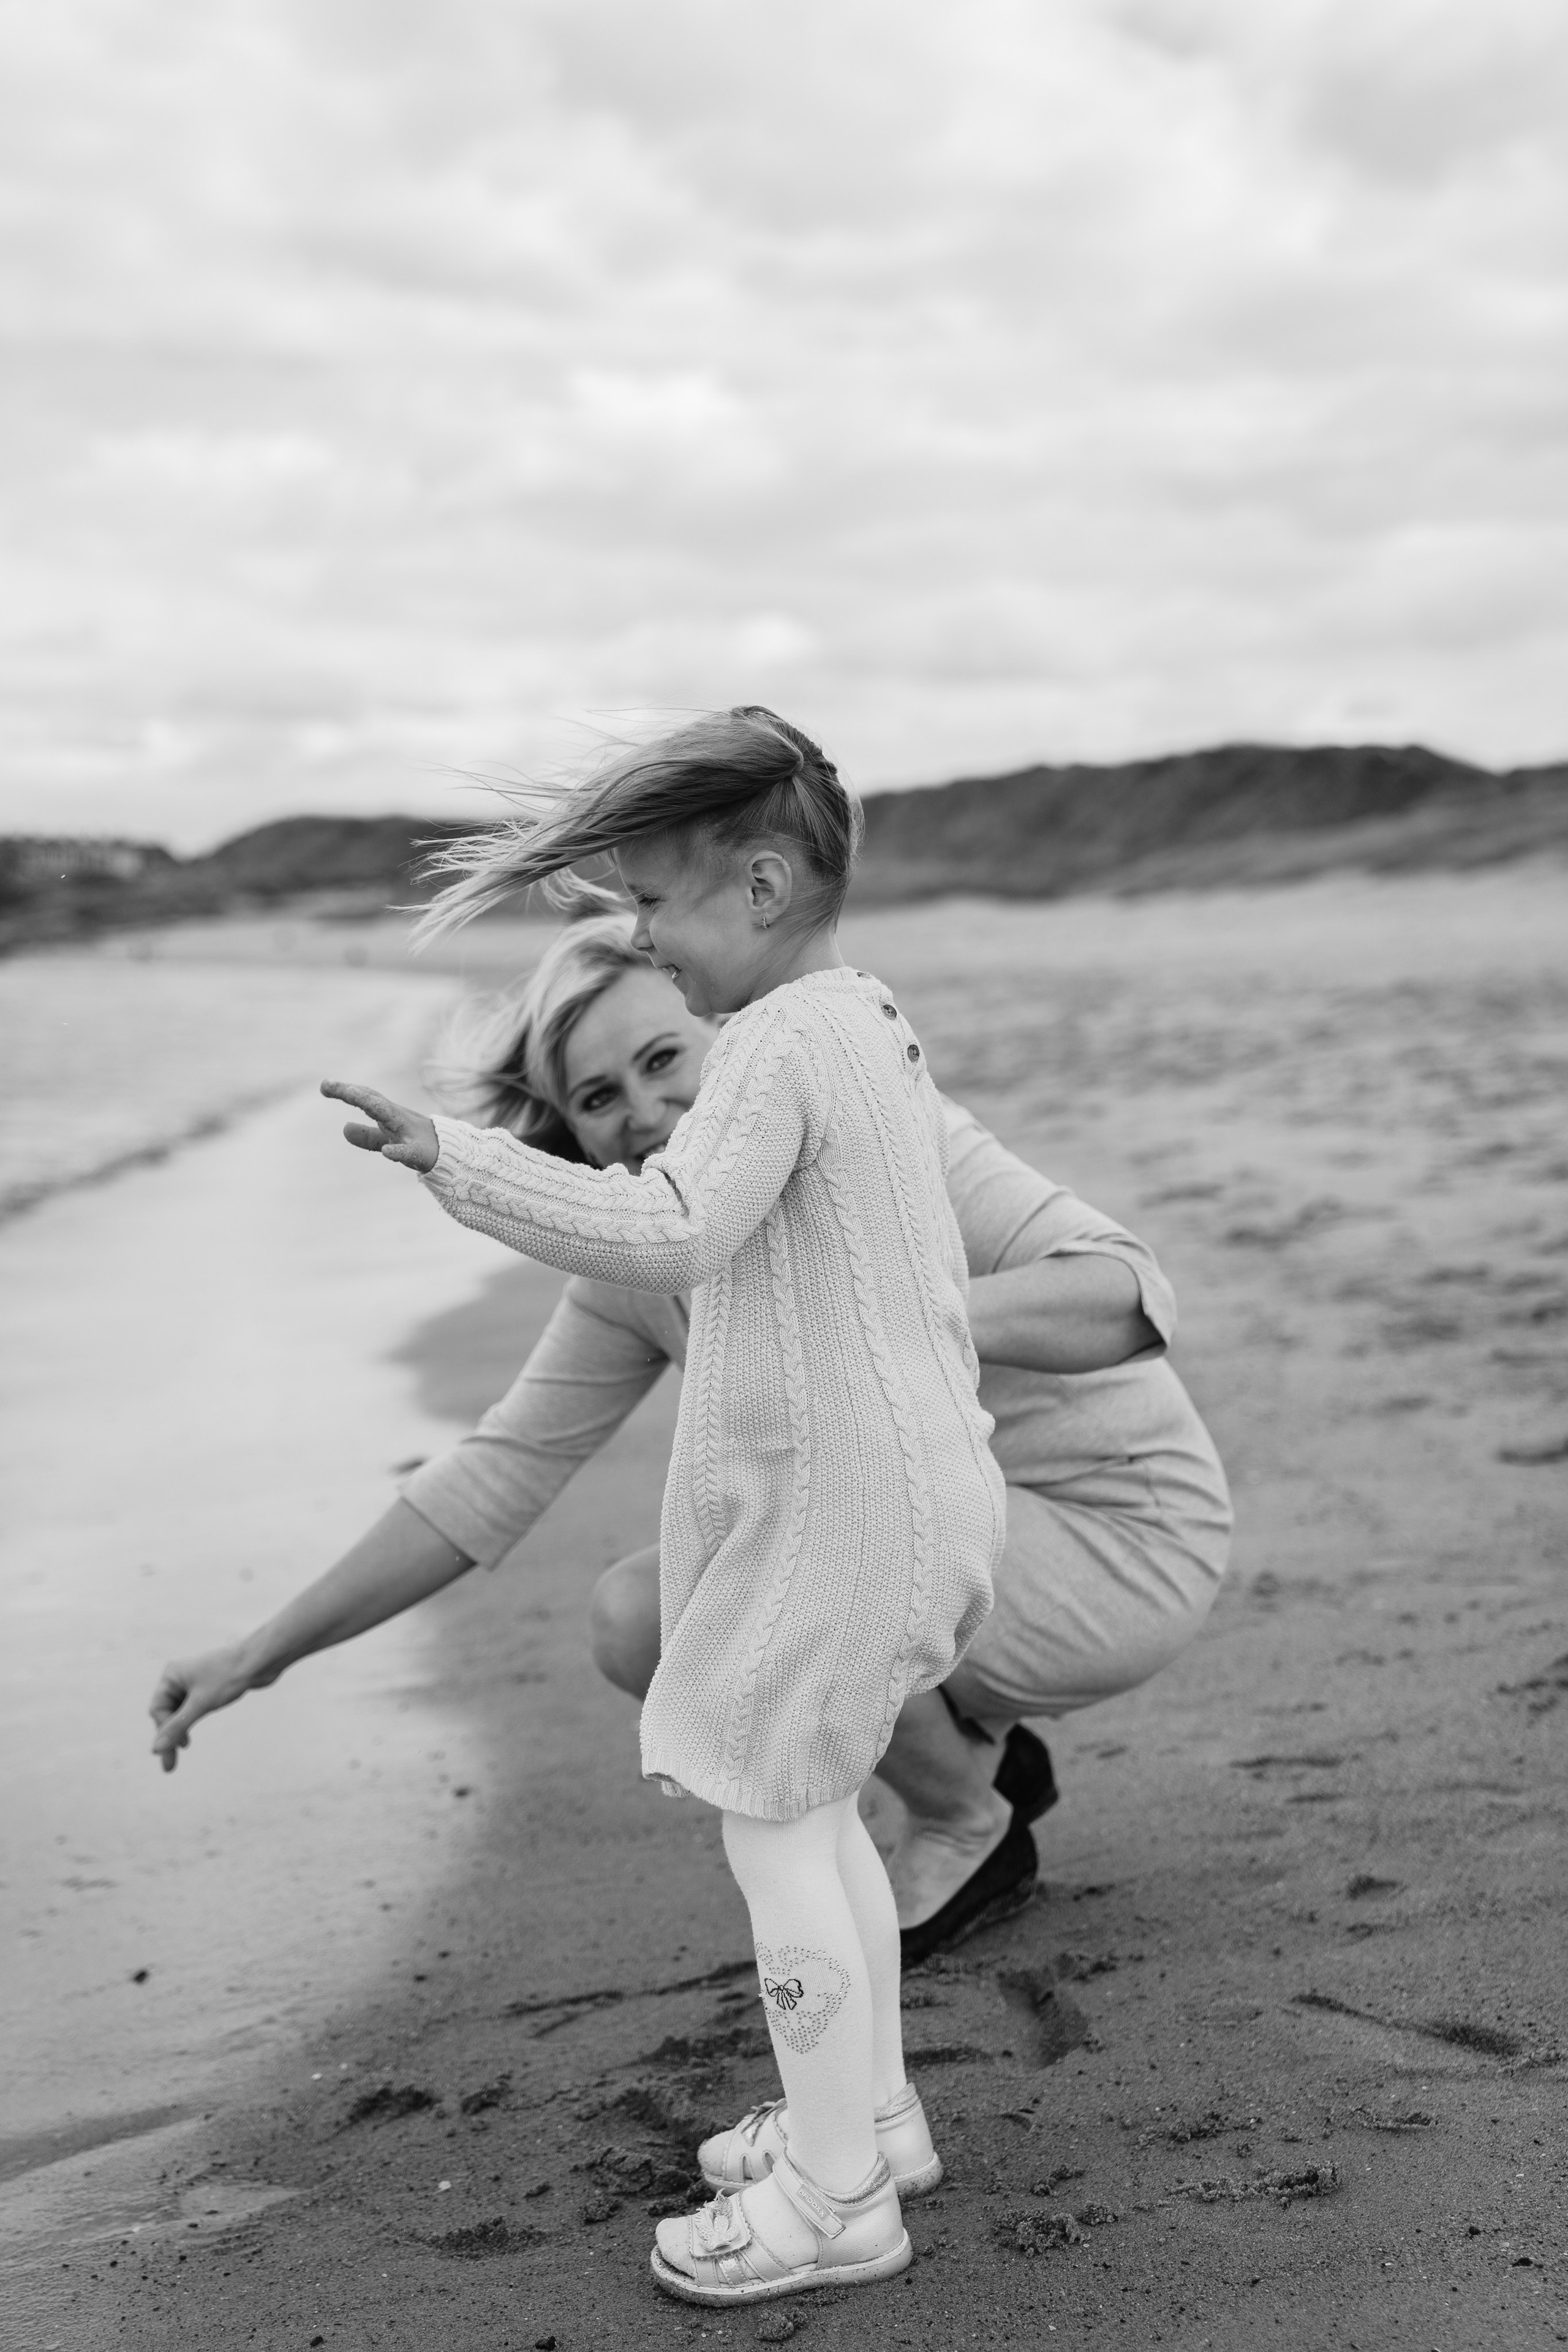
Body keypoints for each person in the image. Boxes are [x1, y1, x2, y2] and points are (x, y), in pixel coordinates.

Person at [319, 706, 1008, 2306]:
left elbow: (678, 1226)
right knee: (822, 1813)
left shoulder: (778, 1039)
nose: (644, 942)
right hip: (915, 1491)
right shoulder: (869, 1019)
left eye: (658, 910)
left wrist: (454, 1160)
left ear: (764, 886)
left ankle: (838, 2200)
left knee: (776, 1835)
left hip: (849, 1511)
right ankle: (873, 2120)